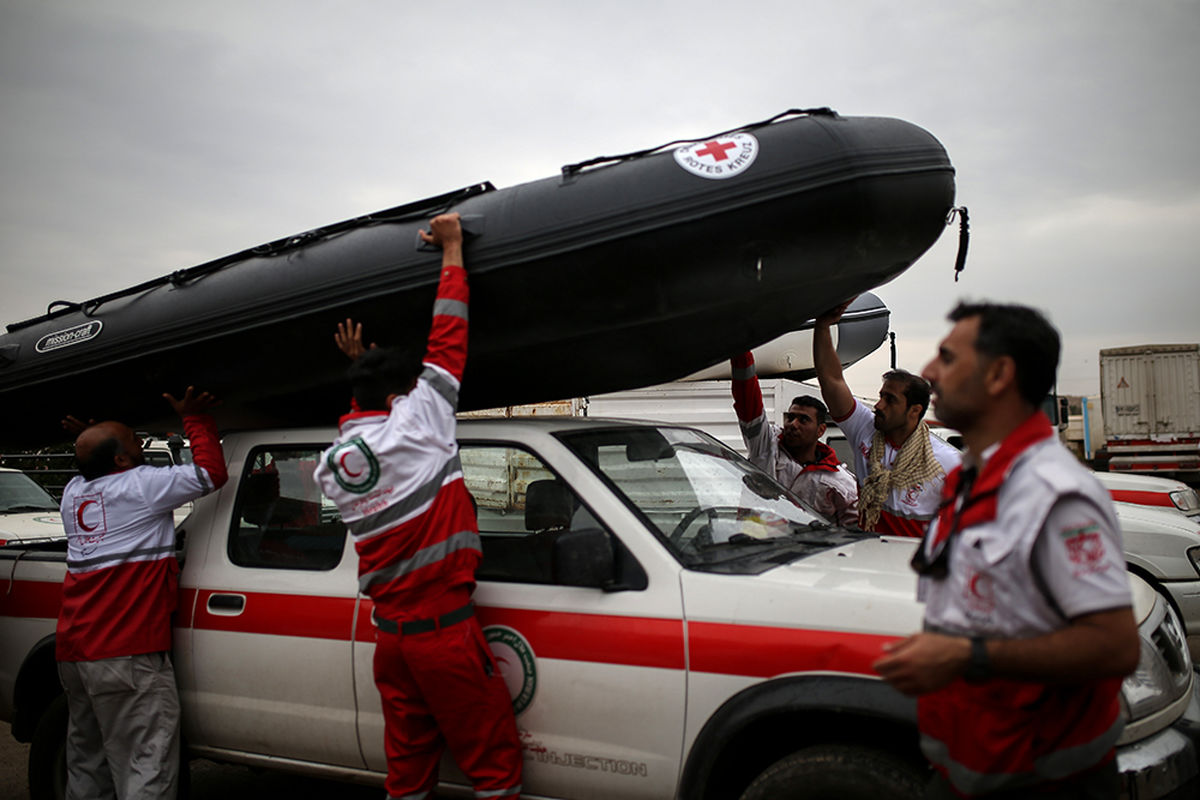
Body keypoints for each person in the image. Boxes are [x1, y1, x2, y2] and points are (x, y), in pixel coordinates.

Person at [874, 302, 1139, 798]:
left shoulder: (1052, 492)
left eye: (948, 359)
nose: (930, 373)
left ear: (999, 374)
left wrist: (965, 656)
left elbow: (1114, 645)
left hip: (1042, 778)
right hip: (971, 766)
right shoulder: (968, 479)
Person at [313, 213, 522, 800]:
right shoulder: (420, 424)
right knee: (494, 766)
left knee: (407, 769)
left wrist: (363, 368)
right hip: (444, 638)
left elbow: (364, 423)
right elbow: (448, 336)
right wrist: (453, 249)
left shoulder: (336, 463)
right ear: (399, 397)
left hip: (393, 641)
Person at [56, 387, 227, 800]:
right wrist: (195, 418)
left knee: (87, 758)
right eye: (135, 438)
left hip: (75, 653)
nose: (142, 442)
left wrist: (93, 435)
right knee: (146, 761)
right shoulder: (142, 486)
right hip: (124, 655)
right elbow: (210, 473)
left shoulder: (73, 493)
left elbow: (90, 464)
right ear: (120, 460)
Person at [812, 299, 960, 536]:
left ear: (915, 410)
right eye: (880, 396)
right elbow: (831, 380)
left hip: (909, 569)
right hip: (869, 562)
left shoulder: (946, 462)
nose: (879, 405)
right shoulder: (865, 428)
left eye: (890, 400)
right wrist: (822, 327)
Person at [729, 351, 858, 526]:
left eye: (803, 420)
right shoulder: (766, 446)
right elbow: (747, 402)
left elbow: (855, 533)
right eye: (790, 417)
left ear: (821, 430)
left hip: (806, 552)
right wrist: (742, 351)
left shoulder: (839, 482)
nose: (793, 424)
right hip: (752, 547)